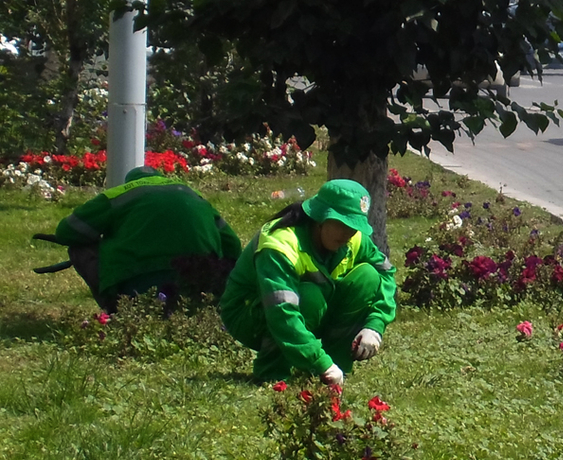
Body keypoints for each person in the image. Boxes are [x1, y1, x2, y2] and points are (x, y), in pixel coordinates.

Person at [219, 179, 397, 385]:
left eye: (354, 227)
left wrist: (375, 325)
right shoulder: (280, 244)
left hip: (309, 305)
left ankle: (336, 369)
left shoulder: (351, 238)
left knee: (368, 276)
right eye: (342, 225)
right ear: (320, 217)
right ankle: (272, 373)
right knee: (310, 296)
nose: (348, 235)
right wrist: (321, 362)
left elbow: (386, 273)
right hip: (249, 314)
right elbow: (281, 312)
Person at [53, 165, 242, 312]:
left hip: (137, 284)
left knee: (78, 248)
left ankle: (115, 308)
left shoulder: (118, 194)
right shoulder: (194, 195)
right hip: (199, 281)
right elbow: (232, 246)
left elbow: (67, 231)